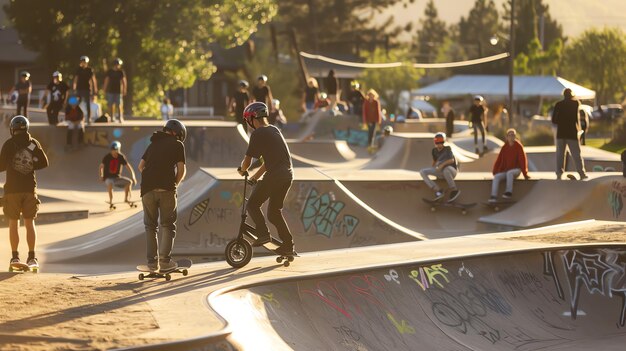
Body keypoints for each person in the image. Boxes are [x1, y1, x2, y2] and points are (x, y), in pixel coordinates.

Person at [237, 102, 295, 256]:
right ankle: (288, 245)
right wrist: (255, 177)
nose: (248, 124)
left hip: (275, 175)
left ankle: (263, 234)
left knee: (253, 204)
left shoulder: (258, 134)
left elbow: (247, 161)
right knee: (274, 213)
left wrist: (242, 170)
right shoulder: (274, 130)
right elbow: (266, 162)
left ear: (252, 118)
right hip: (287, 175)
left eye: (248, 120)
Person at [0, 116, 49, 269]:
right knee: (29, 222)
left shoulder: (9, 144)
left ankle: (15, 258)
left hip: (12, 190)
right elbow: (44, 163)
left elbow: (0, 166)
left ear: (12, 129)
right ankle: (32, 258)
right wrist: (32, 162)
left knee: (13, 223)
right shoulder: (32, 144)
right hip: (29, 189)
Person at [138, 119, 187, 272]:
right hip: (167, 189)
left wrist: (151, 179)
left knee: (150, 226)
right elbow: (181, 170)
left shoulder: (152, 144)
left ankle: (152, 264)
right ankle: (165, 262)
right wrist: (175, 184)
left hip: (147, 189)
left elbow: (141, 167)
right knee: (167, 225)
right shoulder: (178, 144)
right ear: (177, 134)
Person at [551, 88, 587, 180]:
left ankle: (559, 173)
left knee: (560, 154)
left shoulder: (558, 104)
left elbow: (553, 120)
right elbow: (576, 119)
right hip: (572, 133)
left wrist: (561, 121)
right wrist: (579, 131)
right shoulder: (575, 104)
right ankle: (581, 173)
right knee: (576, 154)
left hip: (561, 133)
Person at [488, 128, 530, 202]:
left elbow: (522, 160)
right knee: (497, 177)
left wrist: (525, 174)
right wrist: (495, 172)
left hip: (516, 170)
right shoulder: (504, 147)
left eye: (513, 135)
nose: (511, 137)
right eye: (510, 135)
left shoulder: (518, 146)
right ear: (507, 137)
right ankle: (493, 196)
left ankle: (508, 192)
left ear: (515, 136)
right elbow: (499, 160)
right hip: (506, 170)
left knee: (509, 173)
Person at [419, 132, 460, 202]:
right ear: (435, 143)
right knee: (422, 171)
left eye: (440, 143)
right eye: (437, 143)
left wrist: (442, 165)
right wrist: (433, 169)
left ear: (443, 142)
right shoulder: (434, 151)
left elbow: (451, 160)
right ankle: (438, 191)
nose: (439, 145)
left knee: (445, 170)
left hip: (451, 171)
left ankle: (454, 190)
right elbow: (434, 161)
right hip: (441, 172)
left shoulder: (447, 149)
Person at [73, 56, 97, 125]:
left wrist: (95, 89)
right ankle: (77, 117)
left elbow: (93, 80)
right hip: (79, 89)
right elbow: (76, 79)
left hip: (87, 89)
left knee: (87, 104)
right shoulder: (79, 70)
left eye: (85, 62)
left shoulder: (89, 70)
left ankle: (88, 118)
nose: (83, 64)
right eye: (82, 62)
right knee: (77, 103)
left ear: (87, 63)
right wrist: (74, 88)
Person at [102, 58, 127, 123]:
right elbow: (106, 80)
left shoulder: (121, 72)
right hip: (111, 91)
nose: (118, 66)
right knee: (111, 105)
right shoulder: (110, 72)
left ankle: (120, 117)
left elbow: (124, 81)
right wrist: (104, 89)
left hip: (118, 91)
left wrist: (124, 89)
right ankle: (112, 117)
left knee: (119, 105)